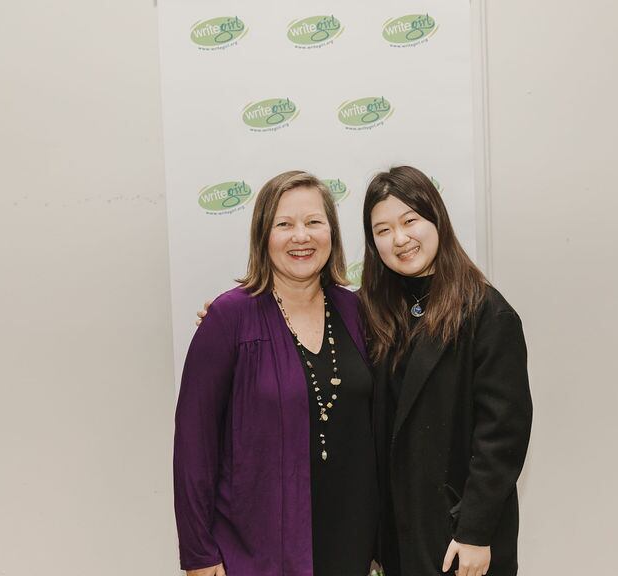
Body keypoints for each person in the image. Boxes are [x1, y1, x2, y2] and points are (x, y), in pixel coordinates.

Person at [174, 171, 378, 576]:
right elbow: (194, 444)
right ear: (263, 235)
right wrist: (199, 552)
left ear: (332, 234)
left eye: (313, 222)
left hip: (350, 541)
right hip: (256, 548)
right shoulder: (229, 319)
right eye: (284, 224)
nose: (300, 236)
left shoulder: (358, 312)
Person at [361, 166, 532, 576]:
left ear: (436, 218)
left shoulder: (487, 313)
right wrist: (230, 315)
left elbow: (502, 435)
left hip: (460, 535)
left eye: (409, 221)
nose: (399, 239)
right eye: (382, 230)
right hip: (398, 535)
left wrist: (476, 531)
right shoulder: (373, 313)